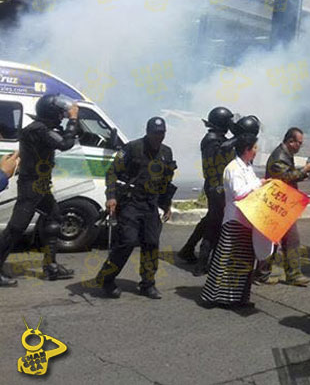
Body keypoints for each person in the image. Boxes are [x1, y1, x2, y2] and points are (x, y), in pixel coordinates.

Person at [0, 94, 81, 287]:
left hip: (41, 185)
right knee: (16, 228)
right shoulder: (38, 129)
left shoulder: (41, 128)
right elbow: (65, 144)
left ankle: (50, 266)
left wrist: (72, 124)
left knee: (53, 218)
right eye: (60, 113)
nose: (62, 116)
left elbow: (66, 138)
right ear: (51, 112)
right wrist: (73, 118)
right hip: (31, 186)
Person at [95, 117, 177, 299]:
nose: (159, 137)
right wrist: (111, 197)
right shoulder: (132, 148)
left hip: (150, 205)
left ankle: (148, 284)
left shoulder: (166, 152)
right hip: (131, 202)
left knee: (151, 243)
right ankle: (106, 278)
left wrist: (166, 204)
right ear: (147, 132)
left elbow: (165, 181)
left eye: (162, 133)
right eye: (155, 133)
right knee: (127, 241)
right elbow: (112, 172)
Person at [200, 130, 273, 308]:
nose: (257, 151)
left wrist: (262, 184)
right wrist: (258, 184)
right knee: (227, 260)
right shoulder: (232, 168)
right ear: (247, 149)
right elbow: (239, 193)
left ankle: (239, 297)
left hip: (248, 220)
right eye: (255, 147)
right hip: (235, 221)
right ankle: (217, 297)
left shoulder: (247, 168)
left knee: (245, 261)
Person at [257, 127, 310, 286]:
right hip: (276, 203)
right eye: (299, 143)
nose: (300, 146)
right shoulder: (279, 157)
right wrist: (304, 170)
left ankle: (288, 274)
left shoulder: (286, 154)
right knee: (281, 239)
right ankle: (268, 274)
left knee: (285, 240)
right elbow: (285, 176)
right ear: (290, 141)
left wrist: (301, 174)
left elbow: (288, 175)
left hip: (283, 202)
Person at [178, 107, 235, 272]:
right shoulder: (211, 139)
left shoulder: (217, 138)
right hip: (215, 186)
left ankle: (187, 250)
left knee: (210, 219)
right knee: (214, 224)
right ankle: (202, 263)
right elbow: (221, 152)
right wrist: (239, 139)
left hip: (216, 185)